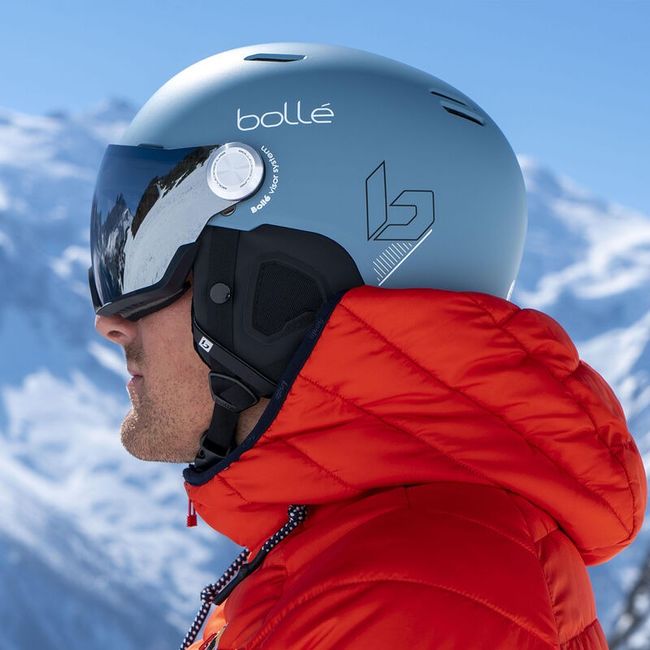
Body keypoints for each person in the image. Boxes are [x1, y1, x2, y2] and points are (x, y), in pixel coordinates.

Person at [90, 42, 647, 650]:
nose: (112, 323)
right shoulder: (367, 564)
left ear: (279, 293)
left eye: (154, 260)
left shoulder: (405, 600)